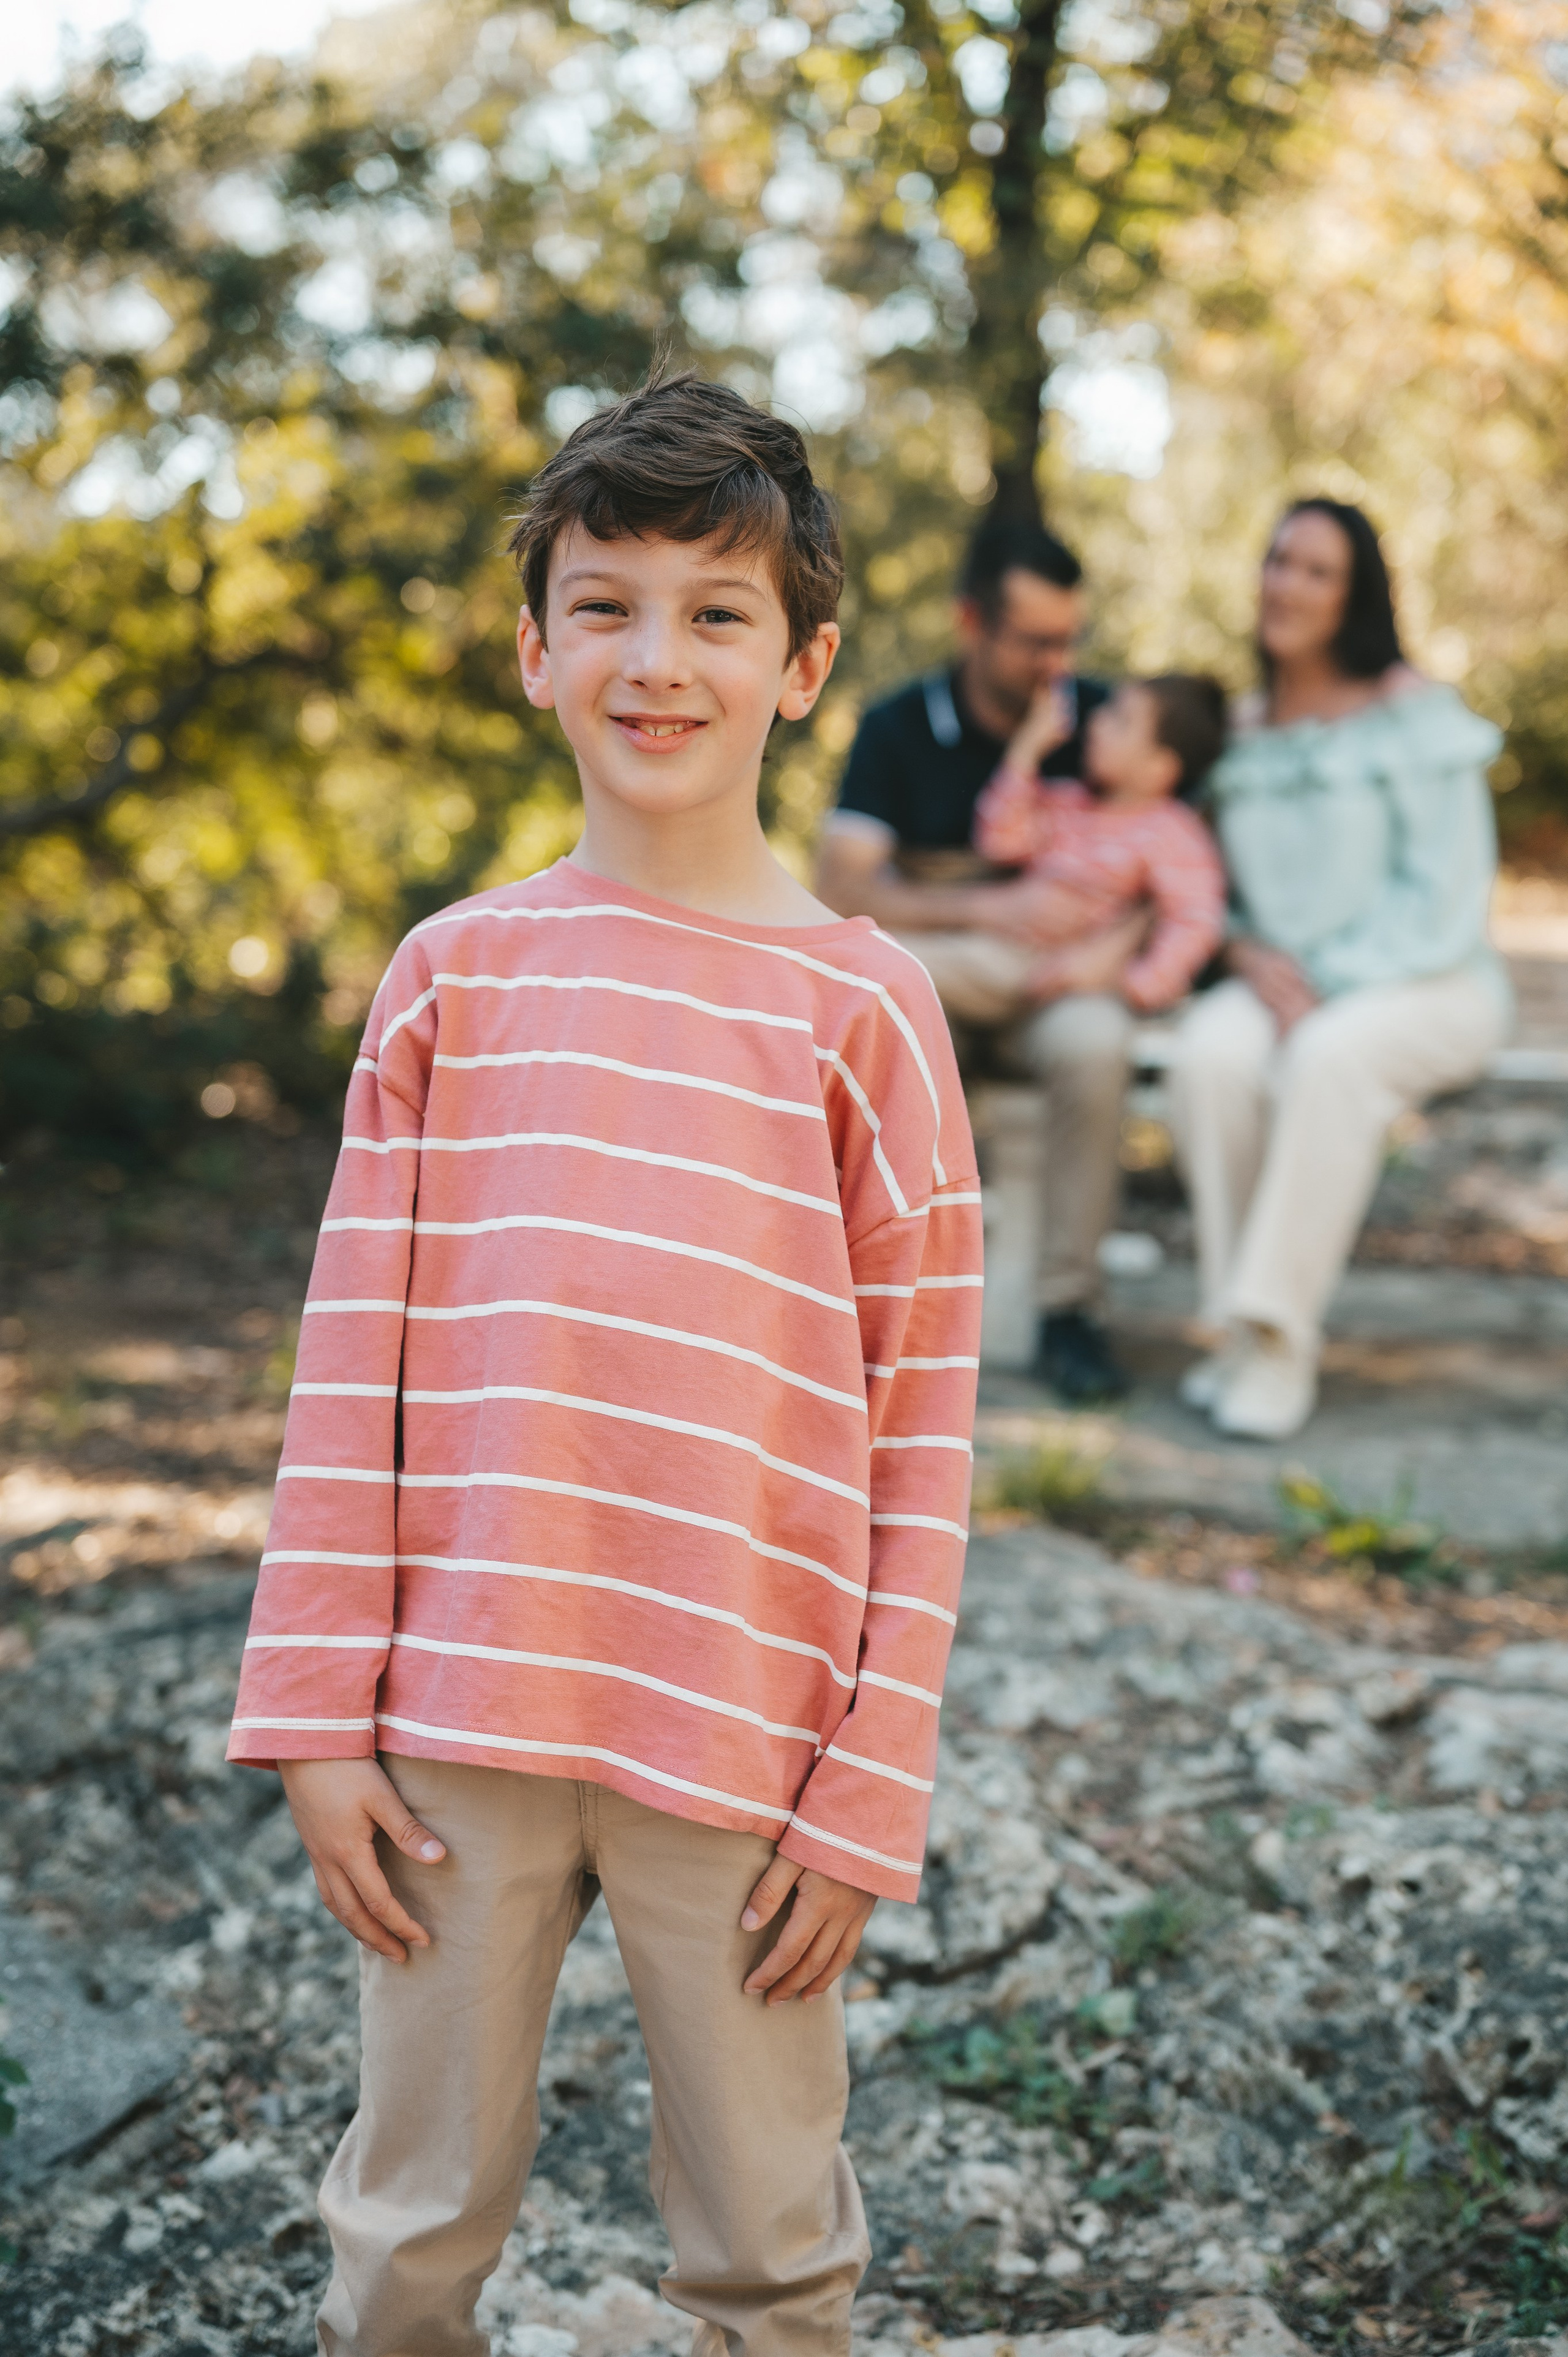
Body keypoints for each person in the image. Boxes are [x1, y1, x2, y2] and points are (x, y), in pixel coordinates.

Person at [225, 371, 982, 2357]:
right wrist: (314, 1707)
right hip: (456, 1720)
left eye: (717, 613)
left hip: (748, 1740)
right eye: (607, 606)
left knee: (770, 2248)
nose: (657, 659)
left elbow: (923, 1424)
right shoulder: (454, 977)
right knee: (406, 2230)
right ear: (534, 652)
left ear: (804, 665)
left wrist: (867, 1785)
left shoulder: (865, 1009)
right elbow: (353, 1361)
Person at [1169, 497, 1511, 1441]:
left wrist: (1324, 982)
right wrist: (1239, 948)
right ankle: (1234, 1330)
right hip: (1279, 986)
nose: (1288, 584)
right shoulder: (1240, 730)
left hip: (1429, 980)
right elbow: (1207, 881)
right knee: (1209, 1054)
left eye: (1318, 571)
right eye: (1280, 560)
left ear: (1354, 596)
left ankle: (1280, 1338)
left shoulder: (1414, 713)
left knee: (1329, 1057)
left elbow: (1447, 894)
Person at [816, 520, 1131, 1405]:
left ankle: (1069, 1311)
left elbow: (1177, 857)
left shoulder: (1104, 720)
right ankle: (883, 1307)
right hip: (947, 988)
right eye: (1034, 641)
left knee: (1097, 1042)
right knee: (900, 998)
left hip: (1057, 987)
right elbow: (842, 884)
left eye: (1068, 639)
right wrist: (989, 907)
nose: (1055, 664)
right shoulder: (898, 727)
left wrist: (1111, 947)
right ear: (970, 623)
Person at [946, 671, 1229, 1011]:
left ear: (1159, 768)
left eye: (1120, 720)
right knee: (924, 966)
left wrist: (1137, 986)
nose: (1097, 721)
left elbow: (1195, 920)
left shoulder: (1171, 832)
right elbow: (998, 843)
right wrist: (1025, 752)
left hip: (1081, 978)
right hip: (1008, 953)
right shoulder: (1066, 802)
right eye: (1108, 710)